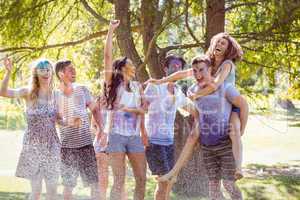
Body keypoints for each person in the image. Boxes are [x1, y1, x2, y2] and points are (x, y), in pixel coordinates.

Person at [151, 32, 248, 180]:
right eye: (217, 42)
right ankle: (173, 173)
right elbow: (182, 74)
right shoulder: (207, 64)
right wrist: (161, 81)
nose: (219, 45)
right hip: (212, 107)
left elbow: (215, 85)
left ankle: (239, 168)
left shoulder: (227, 64)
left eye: (223, 43)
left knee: (235, 130)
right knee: (192, 136)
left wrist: (197, 95)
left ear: (228, 49)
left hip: (230, 104)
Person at [0, 58, 60, 200]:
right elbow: (3, 92)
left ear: (51, 72)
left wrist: (69, 122)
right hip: (33, 145)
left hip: (52, 146)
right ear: (36, 74)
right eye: (42, 70)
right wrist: (8, 73)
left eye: (48, 69)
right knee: (37, 189)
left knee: (52, 190)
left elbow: (59, 121)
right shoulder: (28, 92)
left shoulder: (56, 95)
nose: (45, 72)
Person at [103, 20, 148, 200]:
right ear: (121, 68)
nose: (133, 65)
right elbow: (107, 57)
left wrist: (134, 111)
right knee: (119, 180)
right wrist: (110, 31)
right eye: (129, 63)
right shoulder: (112, 85)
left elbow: (144, 111)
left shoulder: (138, 87)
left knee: (142, 178)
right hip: (116, 136)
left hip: (134, 136)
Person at [143, 54, 198, 200]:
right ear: (165, 68)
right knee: (165, 181)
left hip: (168, 143)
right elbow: (141, 110)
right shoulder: (154, 86)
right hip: (154, 142)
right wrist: (143, 135)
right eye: (173, 66)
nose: (176, 68)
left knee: (169, 181)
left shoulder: (178, 92)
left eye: (179, 67)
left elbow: (193, 110)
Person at [54, 60, 100, 200]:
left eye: (74, 68)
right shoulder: (55, 95)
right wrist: (68, 123)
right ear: (61, 74)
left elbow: (95, 110)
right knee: (68, 186)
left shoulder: (82, 89)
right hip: (68, 148)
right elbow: (56, 120)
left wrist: (101, 130)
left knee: (94, 185)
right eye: (70, 69)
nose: (74, 71)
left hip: (86, 145)